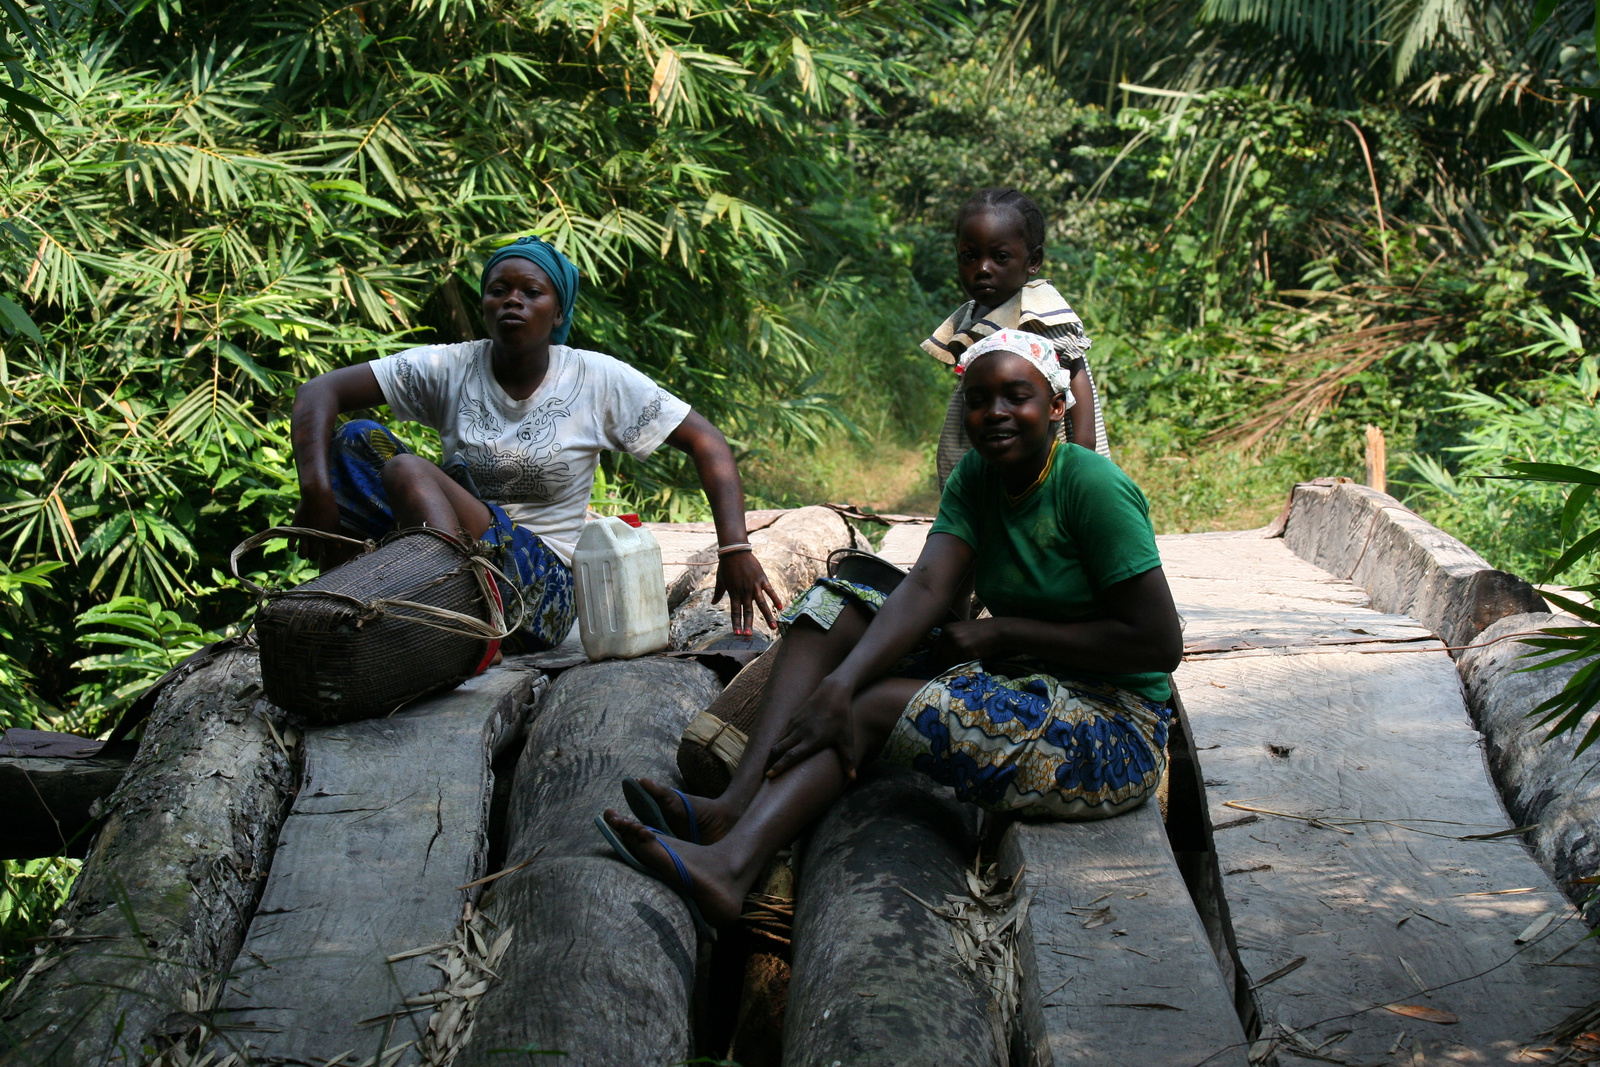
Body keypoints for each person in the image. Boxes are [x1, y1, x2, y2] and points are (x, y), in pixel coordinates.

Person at [599, 329, 1181, 933]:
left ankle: (731, 868)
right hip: (1021, 679)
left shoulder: (1091, 488)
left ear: (1056, 407)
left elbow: (1162, 645)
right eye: (979, 400)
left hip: (1110, 729)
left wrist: (1003, 633)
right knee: (835, 606)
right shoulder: (978, 479)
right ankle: (734, 806)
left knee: (869, 707)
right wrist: (840, 679)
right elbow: (927, 586)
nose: (996, 413)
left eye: (1017, 397)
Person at [290, 235, 782, 650]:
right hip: (453, 548)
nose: (512, 301)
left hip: (542, 589)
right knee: (356, 441)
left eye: (531, 292)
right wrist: (316, 494)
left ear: (558, 311)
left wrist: (735, 549)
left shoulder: (596, 380)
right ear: (484, 304)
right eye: (498, 290)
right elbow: (320, 391)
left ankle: (451, 632)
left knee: (406, 471)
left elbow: (706, 441)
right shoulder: (451, 367)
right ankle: (343, 601)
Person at [924, 187, 1110, 488]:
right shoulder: (973, 315)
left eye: (1000, 257)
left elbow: (1074, 372)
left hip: (1044, 443)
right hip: (993, 435)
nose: (982, 269)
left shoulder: (1037, 312)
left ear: (1033, 261)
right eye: (969, 257)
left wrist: (1083, 451)